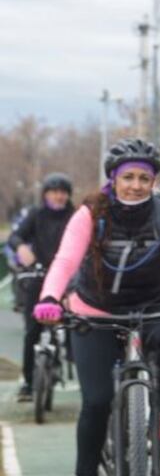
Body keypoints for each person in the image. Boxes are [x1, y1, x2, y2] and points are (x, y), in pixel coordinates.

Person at [33, 138, 160, 476]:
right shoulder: (90, 214)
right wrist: (50, 298)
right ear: (114, 179)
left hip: (152, 306)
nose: (136, 185)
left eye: (144, 178)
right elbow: (65, 260)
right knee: (96, 402)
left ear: (153, 182)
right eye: (128, 177)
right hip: (94, 312)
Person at [7, 172, 75, 401]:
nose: (59, 196)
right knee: (32, 331)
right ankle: (27, 382)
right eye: (54, 192)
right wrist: (20, 248)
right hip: (39, 276)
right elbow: (15, 237)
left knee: (79, 326)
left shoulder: (75, 216)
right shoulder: (36, 215)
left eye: (63, 192)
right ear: (46, 194)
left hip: (68, 279)